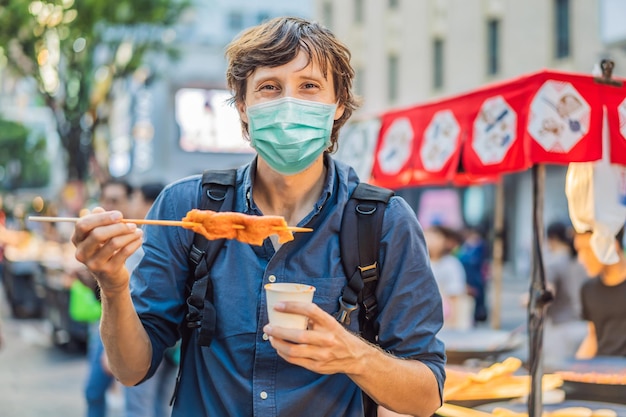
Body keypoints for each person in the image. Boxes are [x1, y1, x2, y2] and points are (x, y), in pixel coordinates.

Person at [72, 17, 445, 417]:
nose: (289, 104)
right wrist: (111, 284)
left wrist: (352, 355)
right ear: (244, 106)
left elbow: (426, 396)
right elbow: (131, 370)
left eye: (309, 86)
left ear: (338, 105)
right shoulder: (185, 208)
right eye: (270, 87)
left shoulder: (384, 223)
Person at [123, 181, 178, 417]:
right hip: (173, 337)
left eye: (135, 198)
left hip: (149, 334)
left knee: (140, 407)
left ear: (148, 202)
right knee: (160, 406)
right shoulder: (175, 237)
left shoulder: (142, 239)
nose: (132, 205)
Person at [82, 179, 133, 417]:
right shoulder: (101, 238)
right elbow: (98, 287)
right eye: (106, 200)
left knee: (95, 391)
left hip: (123, 331)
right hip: (99, 326)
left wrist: (109, 349)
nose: (110, 206)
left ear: (128, 203)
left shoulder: (135, 241)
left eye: (116, 200)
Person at [541, 221, 588, 368]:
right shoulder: (584, 261)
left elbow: (548, 292)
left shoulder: (553, 263)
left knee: (557, 378)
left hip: (560, 330)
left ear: (552, 239)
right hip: (584, 328)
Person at [575, 226, 626, 358]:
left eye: (588, 250)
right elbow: (592, 337)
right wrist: (573, 370)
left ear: (612, 246)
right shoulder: (588, 289)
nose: (581, 259)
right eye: (579, 251)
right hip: (602, 371)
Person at [424, 225, 473, 330]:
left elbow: (455, 296)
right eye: (427, 236)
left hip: (446, 321)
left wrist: (454, 323)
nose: (430, 240)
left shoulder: (451, 264)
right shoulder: (419, 263)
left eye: (435, 237)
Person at [455, 227, 489, 324]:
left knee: (477, 298)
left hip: (476, 276)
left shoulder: (479, 245)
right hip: (468, 275)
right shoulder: (466, 245)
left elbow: (475, 260)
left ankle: (478, 316)